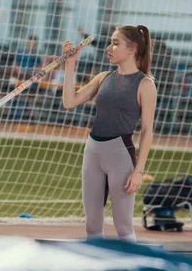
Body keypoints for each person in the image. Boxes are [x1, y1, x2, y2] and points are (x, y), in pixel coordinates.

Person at [62, 24, 157, 241]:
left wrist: (138, 172)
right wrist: (70, 65)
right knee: (92, 225)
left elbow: (147, 132)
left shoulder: (145, 84)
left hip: (120, 155)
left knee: (123, 225)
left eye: (116, 43)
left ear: (132, 49)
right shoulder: (103, 77)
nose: (109, 48)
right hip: (93, 151)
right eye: (110, 42)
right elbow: (70, 101)